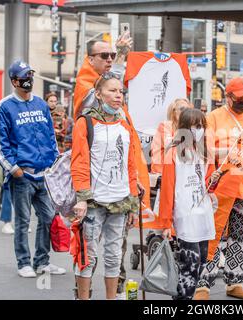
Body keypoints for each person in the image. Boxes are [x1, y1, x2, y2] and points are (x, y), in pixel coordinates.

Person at [72, 34, 151, 294]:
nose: (109, 59)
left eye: (111, 56)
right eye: (104, 56)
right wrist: (82, 196)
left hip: (119, 194)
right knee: (88, 254)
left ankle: (114, 295)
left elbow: (129, 160)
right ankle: (83, 295)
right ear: (90, 59)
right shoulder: (86, 92)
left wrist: (132, 197)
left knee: (115, 254)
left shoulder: (122, 121)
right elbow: (80, 159)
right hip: (95, 195)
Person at [0, 60, 65, 277]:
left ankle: (42, 261)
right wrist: (13, 169)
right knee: (22, 222)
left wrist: (55, 162)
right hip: (22, 175)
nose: (28, 80)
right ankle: (23, 263)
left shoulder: (42, 104)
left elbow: (51, 136)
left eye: (30, 75)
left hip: (45, 175)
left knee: (48, 217)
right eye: (24, 77)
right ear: (14, 81)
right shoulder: (4, 106)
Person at [194, 77, 243, 300]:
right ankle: (202, 284)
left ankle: (235, 281)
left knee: (241, 235)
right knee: (213, 233)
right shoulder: (213, 117)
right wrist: (225, 152)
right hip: (221, 185)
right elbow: (204, 149)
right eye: (240, 99)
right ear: (228, 97)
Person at [159, 108, 219, 300]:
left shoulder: (205, 152)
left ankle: (184, 296)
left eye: (202, 126)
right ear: (184, 127)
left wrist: (216, 178)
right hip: (185, 214)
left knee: (201, 263)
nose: (199, 130)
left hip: (203, 214)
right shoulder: (173, 153)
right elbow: (167, 190)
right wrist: (166, 222)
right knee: (190, 265)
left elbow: (209, 185)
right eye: (195, 126)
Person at [150, 98, 193, 174]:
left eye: (188, 110)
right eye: (182, 109)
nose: (185, 112)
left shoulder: (189, 128)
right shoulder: (165, 126)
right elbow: (171, 146)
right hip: (162, 172)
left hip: (180, 171)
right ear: (173, 111)